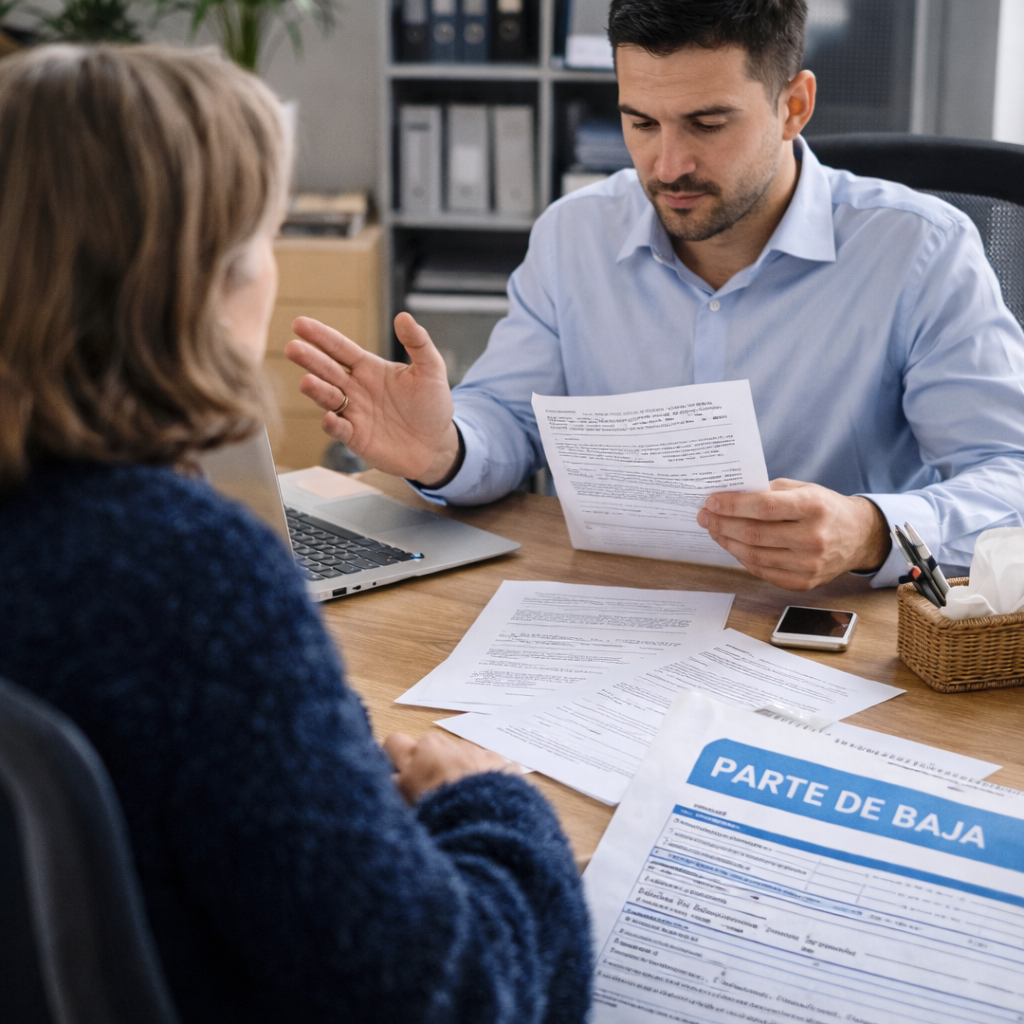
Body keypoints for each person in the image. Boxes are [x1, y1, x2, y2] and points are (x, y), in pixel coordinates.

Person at [0, 45, 591, 1024]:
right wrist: (496, 804)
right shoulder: (186, 574)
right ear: (203, 282)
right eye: (266, 238)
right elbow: (456, 998)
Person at [286, 0, 1024, 592]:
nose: (668, 165)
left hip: (830, 637)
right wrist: (444, 448)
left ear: (794, 105)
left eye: (707, 123)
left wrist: (870, 531)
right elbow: (510, 421)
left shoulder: (921, 250)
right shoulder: (574, 234)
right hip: (608, 614)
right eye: (640, 122)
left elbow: (1010, 477)